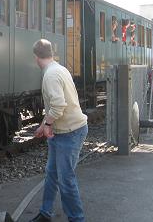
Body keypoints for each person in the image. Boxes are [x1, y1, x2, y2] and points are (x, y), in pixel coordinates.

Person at [30, 39, 88, 222]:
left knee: (66, 180)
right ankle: (45, 213)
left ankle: (77, 219)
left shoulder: (50, 75)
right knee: (52, 174)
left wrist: (47, 125)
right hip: (63, 132)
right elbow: (54, 107)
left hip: (69, 133)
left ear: (36, 57)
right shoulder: (60, 69)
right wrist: (43, 125)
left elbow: (59, 105)